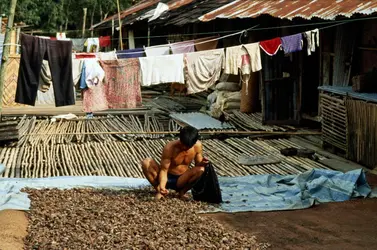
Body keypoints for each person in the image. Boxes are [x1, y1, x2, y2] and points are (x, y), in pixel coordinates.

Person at [141, 126, 208, 200]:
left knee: (200, 169)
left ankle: (182, 192)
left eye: (188, 146)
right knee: (146, 162)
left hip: (181, 179)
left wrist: (203, 162)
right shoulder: (169, 148)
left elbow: (198, 165)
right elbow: (164, 170)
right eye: (183, 144)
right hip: (165, 176)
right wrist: (162, 186)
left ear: (194, 143)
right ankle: (159, 190)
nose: (184, 148)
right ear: (180, 139)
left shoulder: (197, 146)